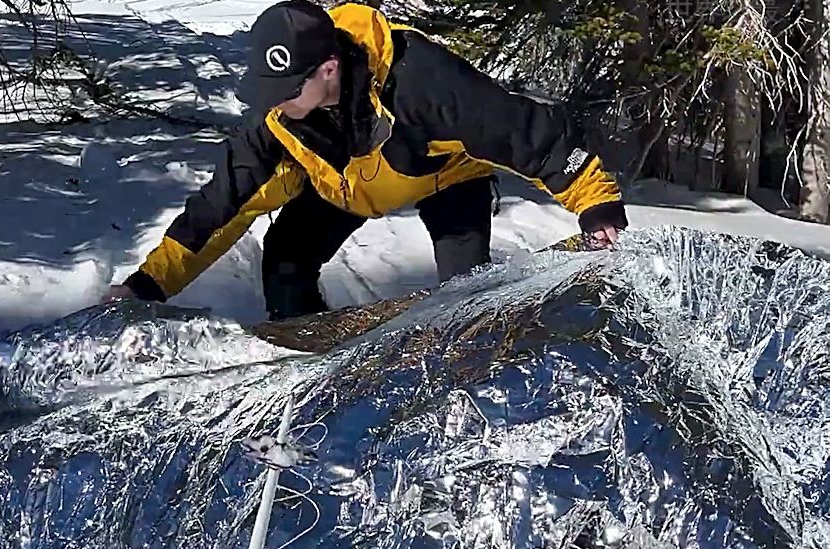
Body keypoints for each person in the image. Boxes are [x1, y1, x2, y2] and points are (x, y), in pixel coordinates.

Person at [104, 0, 629, 319]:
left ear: (329, 68)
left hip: (444, 179)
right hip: (346, 185)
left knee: (464, 296)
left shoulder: (422, 84)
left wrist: (598, 204)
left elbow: (530, 135)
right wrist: (149, 285)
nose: (275, 101)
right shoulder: (278, 116)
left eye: (287, 87)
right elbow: (219, 206)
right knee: (286, 255)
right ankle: (306, 371)